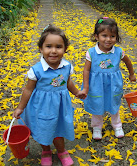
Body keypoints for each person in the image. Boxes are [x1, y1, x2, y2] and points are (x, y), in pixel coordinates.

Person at [13, 25, 86, 166]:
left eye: (58, 46)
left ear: (65, 49)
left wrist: (76, 92)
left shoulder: (67, 67)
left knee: (58, 128)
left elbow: (68, 82)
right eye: (48, 46)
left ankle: (62, 151)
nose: (53, 51)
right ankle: (46, 151)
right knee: (43, 128)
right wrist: (20, 108)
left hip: (60, 106)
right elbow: (28, 90)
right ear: (41, 49)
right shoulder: (36, 70)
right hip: (41, 107)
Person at [81, 17, 136, 140]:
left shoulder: (118, 51)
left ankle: (117, 125)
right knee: (97, 103)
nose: (108, 39)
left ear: (116, 37)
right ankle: (97, 127)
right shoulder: (91, 52)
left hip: (113, 84)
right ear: (96, 36)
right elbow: (86, 70)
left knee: (114, 103)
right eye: (104, 35)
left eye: (112, 36)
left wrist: (131, 74)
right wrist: (86, 86)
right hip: (96, 84)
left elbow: (128, 62)